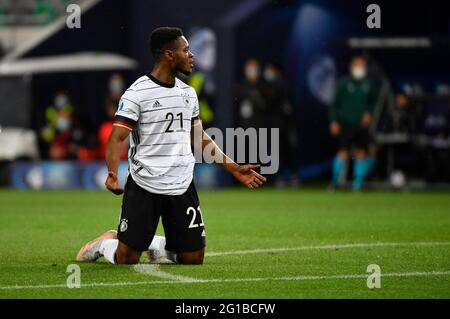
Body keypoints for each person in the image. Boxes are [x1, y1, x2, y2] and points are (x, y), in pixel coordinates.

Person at [76, 27, 266, 265]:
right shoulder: (137, 93)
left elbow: (200, 138)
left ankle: (155, 244)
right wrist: (113, 173)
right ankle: (104, 243)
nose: (191, 55)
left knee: (193, 258)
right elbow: (116, 138)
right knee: (127, 258)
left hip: (181, 182)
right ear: (168, 55)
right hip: (145, 182)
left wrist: (233, 167)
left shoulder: (188, 94)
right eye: (185, 50)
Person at [329, 56, 376, 190]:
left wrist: (368, 113)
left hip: (361, 125)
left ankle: (357, 184)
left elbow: (372, 103)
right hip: (346, 123)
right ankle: (335, 182)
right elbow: (334, 104)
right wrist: (333, 121)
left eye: (362, 66)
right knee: (343, 152)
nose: (359, 69)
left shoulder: (367, 84)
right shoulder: (344, 83)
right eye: (357, 65)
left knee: (361, 152)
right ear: (351, 67)